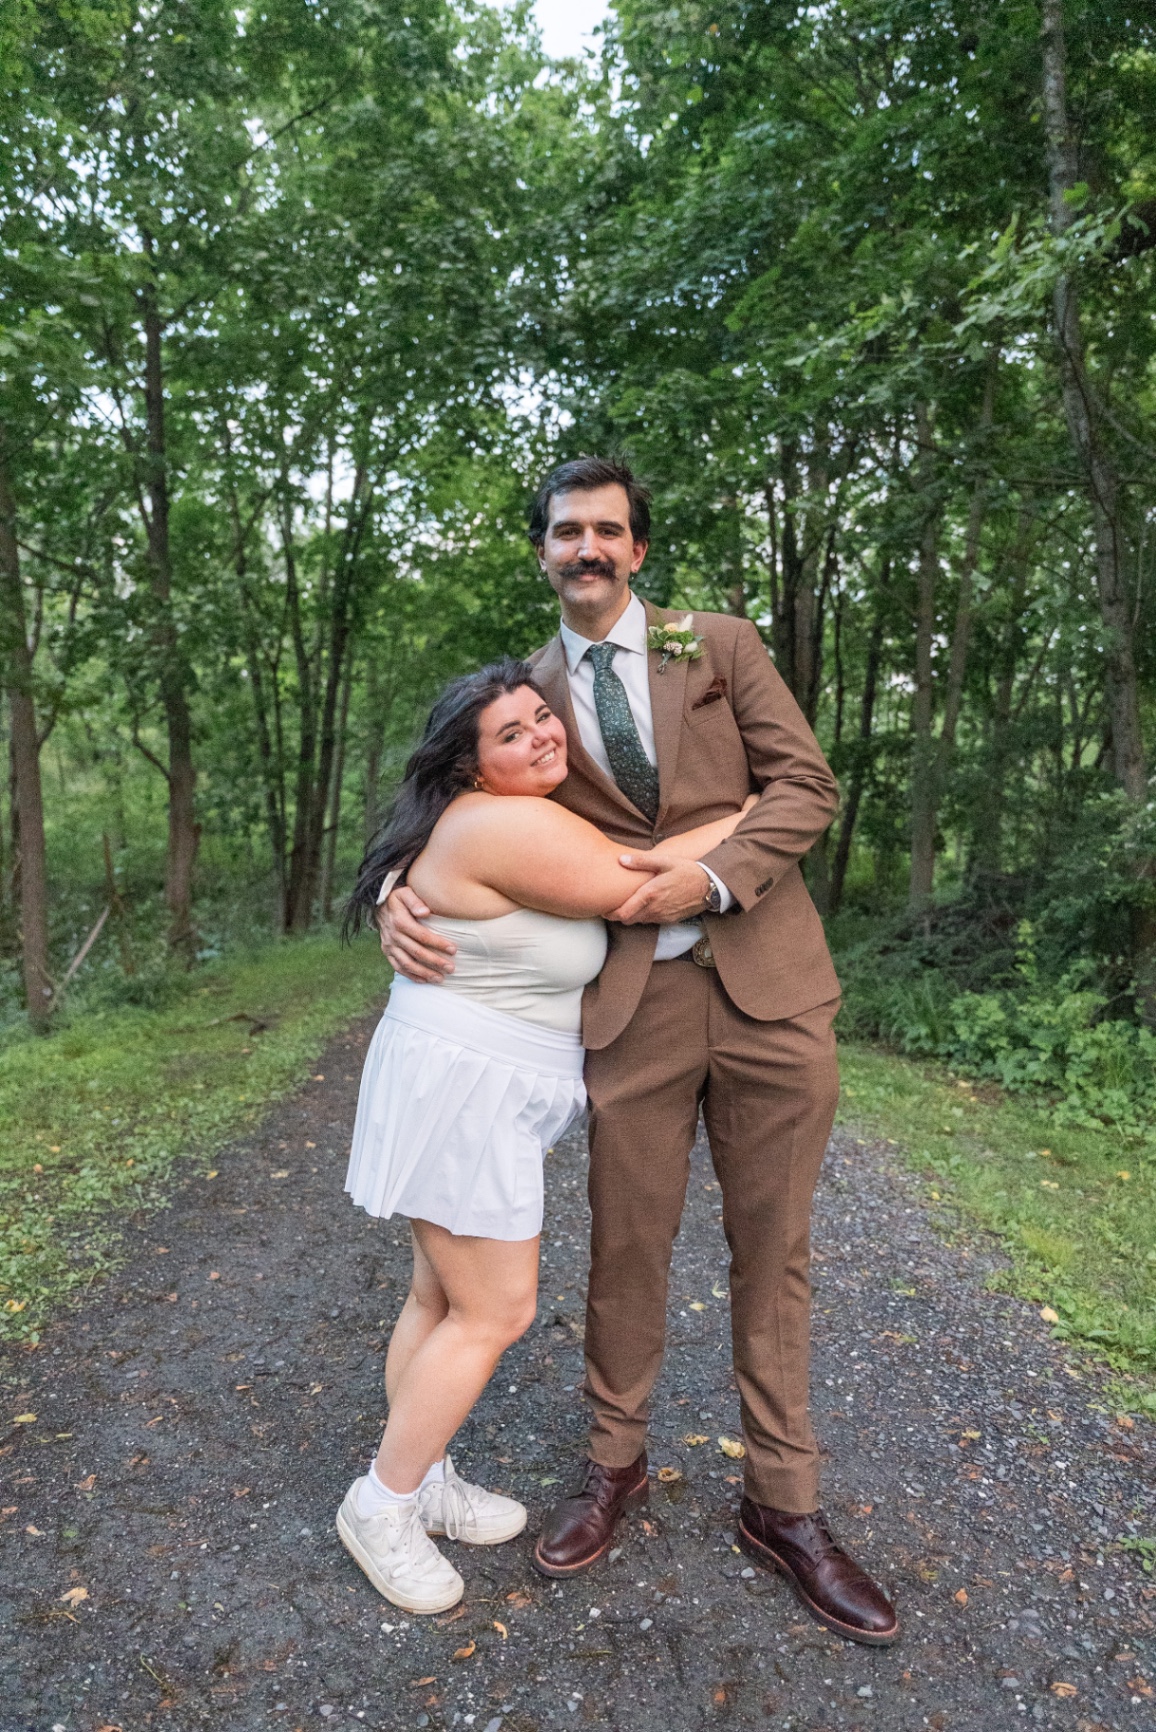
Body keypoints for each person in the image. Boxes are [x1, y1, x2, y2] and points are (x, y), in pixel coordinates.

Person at [378, 456, 900, 1646]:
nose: (587, 548)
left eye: (608, 530)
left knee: (775, 1253)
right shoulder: (529, 694)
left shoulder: (715, 645)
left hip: (772, 989)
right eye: (566, 531)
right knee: (626, 1249)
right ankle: (611, 1466)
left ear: (638, 549)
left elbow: (805, 785)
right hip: (628, 1015)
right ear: (543, 550)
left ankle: (786, 1504)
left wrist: (707, 878)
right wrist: (393, 896)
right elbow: (460, 813)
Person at [338, 659, 756, 1615]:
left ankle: (422, 1474)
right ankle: (382, 1503)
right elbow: (644, 888)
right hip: (464, 1090)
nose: (541, 737)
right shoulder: (504, 822)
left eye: (541, 719)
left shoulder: (495, 818)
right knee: (496, 1311)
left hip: (461, 1080)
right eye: (512, 735)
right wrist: (761, 810)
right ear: (472, 769)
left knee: (440, 1296)